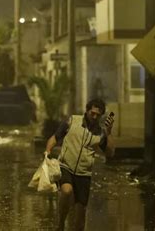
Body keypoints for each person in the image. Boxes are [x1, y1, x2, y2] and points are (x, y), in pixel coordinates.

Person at [45, 98, 115, 231]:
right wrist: (47, 152)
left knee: (80, 217)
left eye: (97, 115)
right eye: (92, 113)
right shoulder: (72, 121)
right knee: (66, 191)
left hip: (84, 174)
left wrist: (109, 133)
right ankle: (60, 223)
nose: (94, 117)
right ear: (87, 111)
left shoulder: (100, 133)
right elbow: (55, 137)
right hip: (65, 166)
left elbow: (110, 153)